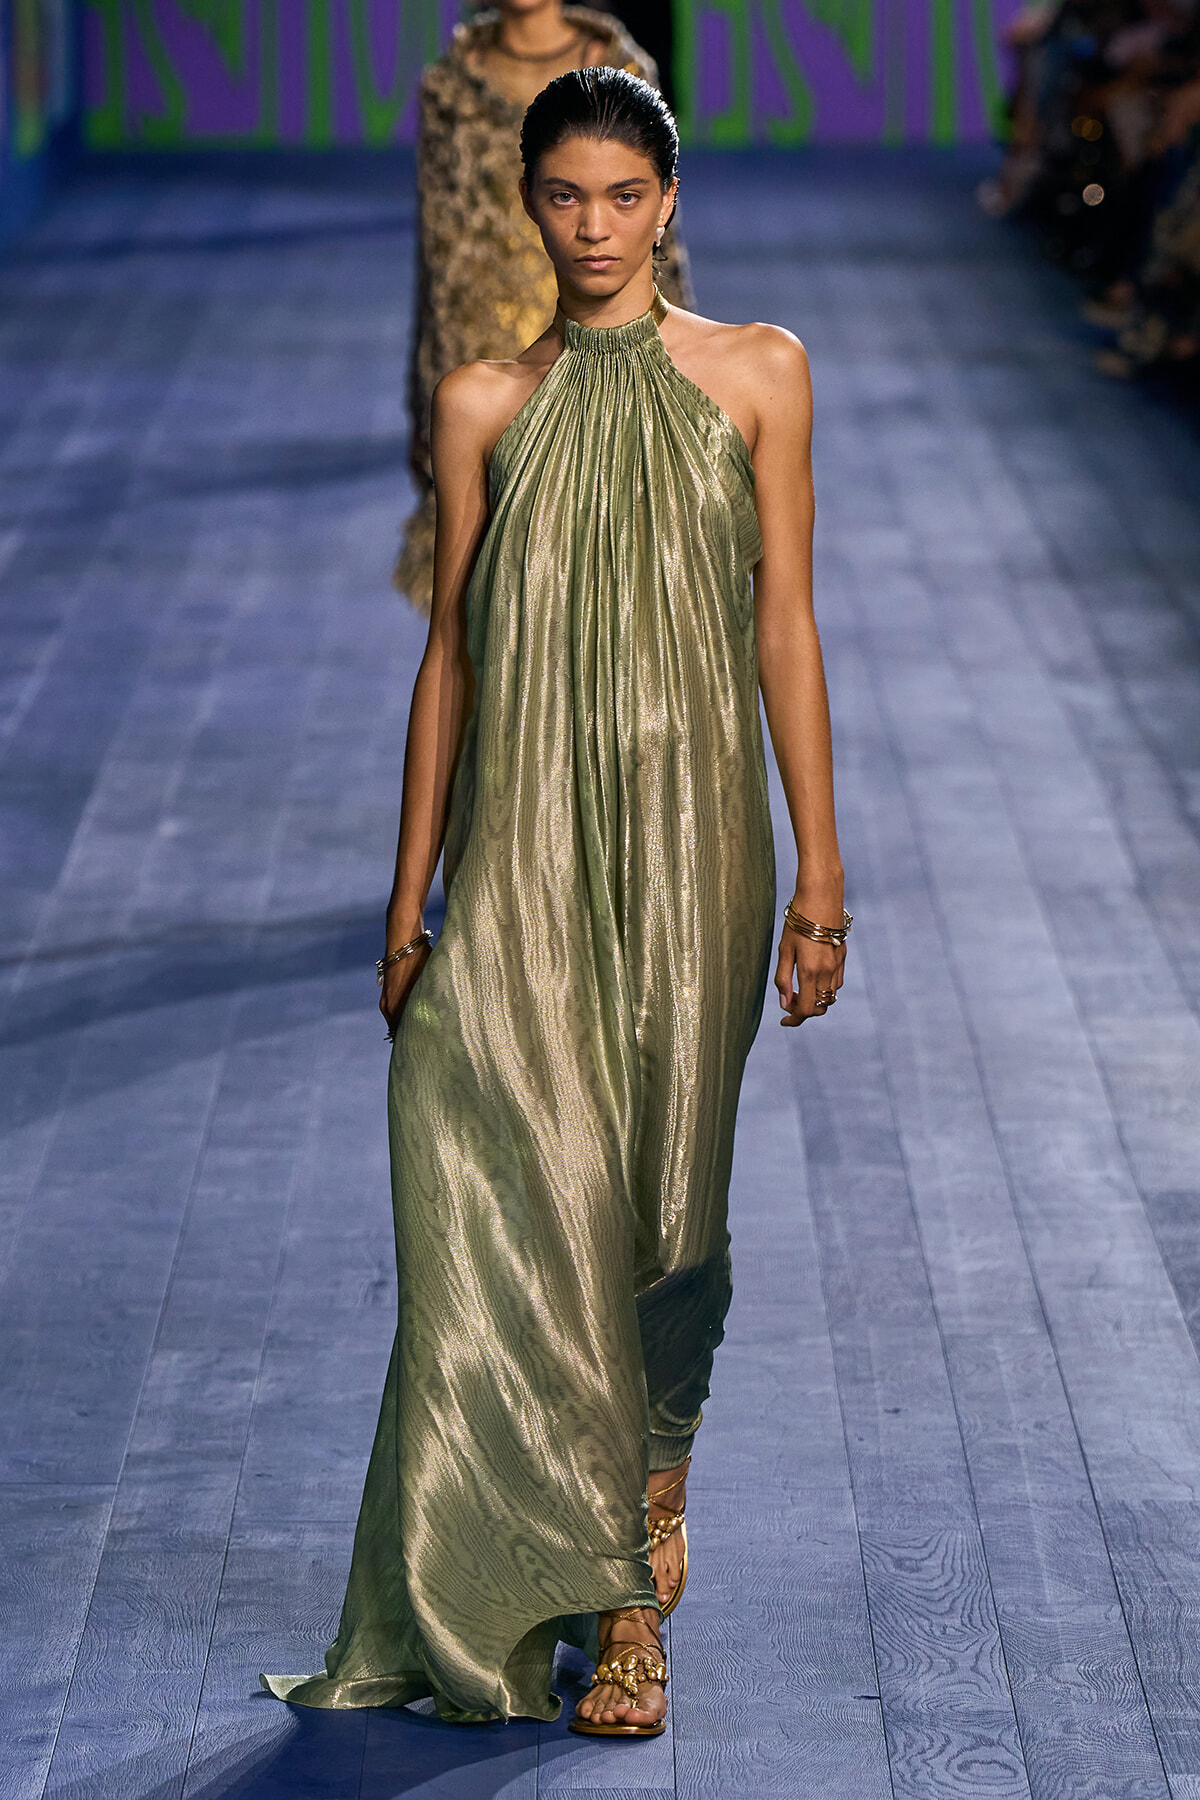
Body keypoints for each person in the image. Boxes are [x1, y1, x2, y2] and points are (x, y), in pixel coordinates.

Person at [263, 67, 846, 1738]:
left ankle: (652, 1509)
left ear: (667, 205)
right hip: (517, 849)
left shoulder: (761, 377)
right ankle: (615, 1605)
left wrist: (822, 867)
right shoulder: (481, 405)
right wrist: (405, 903)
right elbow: (446, 654)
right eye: (563, 197)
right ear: (529, 205)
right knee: (524, 1189)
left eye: (621, 196)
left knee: (668, 1206)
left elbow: (784, 628)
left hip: (696, 847)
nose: (591, 227)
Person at [394, 0, 694, 614]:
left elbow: (664, 240)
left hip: (602, 350)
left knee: (608, 583)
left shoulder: (622, 72)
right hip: (479, 355)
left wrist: (682, 367)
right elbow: (435, 246)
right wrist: (420, 394)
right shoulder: (448, 87)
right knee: (482, 605)